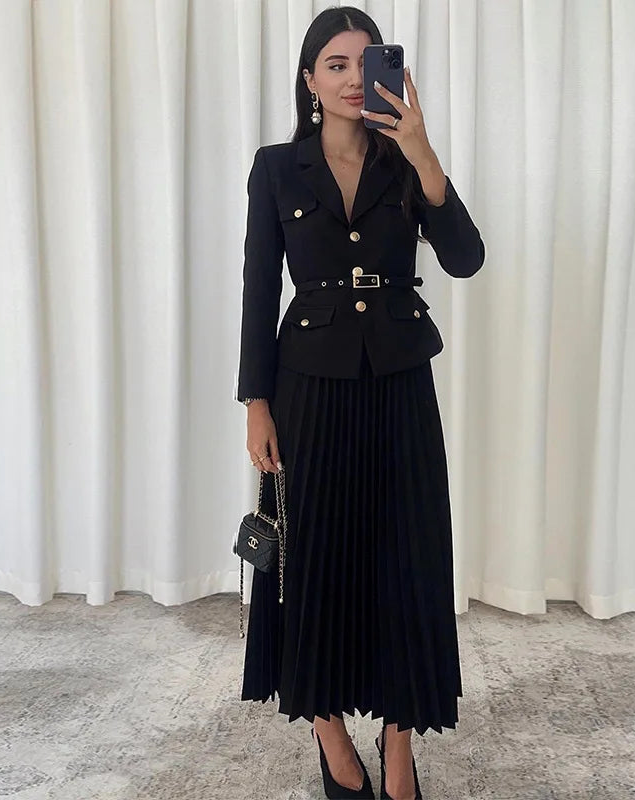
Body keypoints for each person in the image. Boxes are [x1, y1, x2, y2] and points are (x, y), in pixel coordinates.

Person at [235, 7, 485, 799]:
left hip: (400, 382)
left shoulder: (405, 161)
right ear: (309, 80)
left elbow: (465, 257)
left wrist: (421, 149)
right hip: (307, 386)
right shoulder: (277, 167)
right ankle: (329, 730)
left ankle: (400, 742)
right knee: (312, 558)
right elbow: (258, 288)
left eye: (365, 63)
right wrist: (256, 403)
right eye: (335, 65)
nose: (351, 79)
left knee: (407, 558)